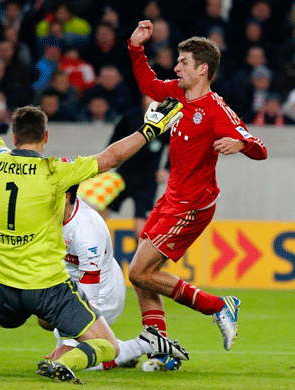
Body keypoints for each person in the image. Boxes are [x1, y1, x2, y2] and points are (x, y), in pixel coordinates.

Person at [0, 65, 186, 382]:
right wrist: (148, 131)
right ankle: (74, 360)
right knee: (107, 346)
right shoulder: (55, 171)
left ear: (15, 136)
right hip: (45, 287)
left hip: (2, 282)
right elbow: (111, 158)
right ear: (46, 137)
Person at [0, 184, 185, 371]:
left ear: (66, 196)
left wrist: (66, 343)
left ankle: (142, 344)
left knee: (89, 354)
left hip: (102, 292)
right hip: (65, 284)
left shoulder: (86, 231)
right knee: (46, 321)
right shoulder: (47, 211)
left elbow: (89, 294)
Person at [127, 20, 268, 352]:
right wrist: (135, 47)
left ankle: (218, 305)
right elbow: (147, 81)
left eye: (183, 62)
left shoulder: (217, 110)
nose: (176, 67)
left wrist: (240, 145)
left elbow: (259, 148)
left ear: (203, 69)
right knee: (142, 274)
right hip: (172, 197)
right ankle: (156, 342)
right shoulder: (176, 93)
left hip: (193, 204)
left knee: (138, 271)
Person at [103, 95, 170, 239]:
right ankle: (92, 247)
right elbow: (114, 141)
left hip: (147, 180)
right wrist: (109, 162)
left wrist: (166, 169)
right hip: (124, 174)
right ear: (142, 99)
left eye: (155, 98)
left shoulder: (166, 122)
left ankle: (140, 258)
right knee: (103, 209)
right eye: (148, 97)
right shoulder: (130, 117)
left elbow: (175, 147)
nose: (150, 101)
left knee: (141, 221)